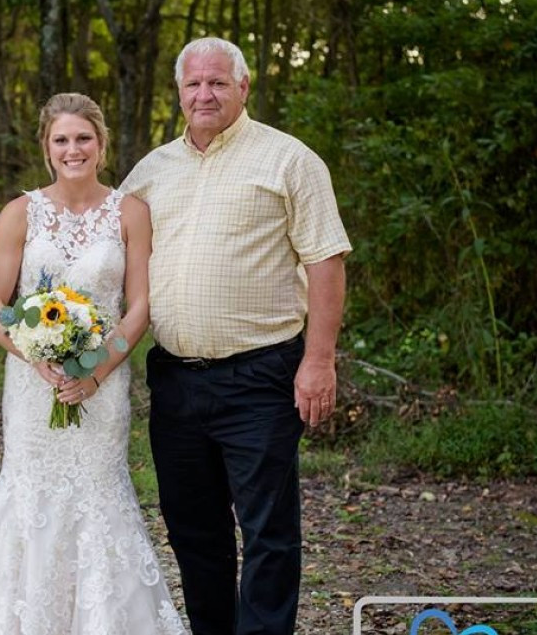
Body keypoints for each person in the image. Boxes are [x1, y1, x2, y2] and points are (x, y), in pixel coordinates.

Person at [119, 37, 352, 635]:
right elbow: (112, 261)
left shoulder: (290, 160)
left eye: (218, 82)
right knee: (194, 530)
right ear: (179, 92)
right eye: (194, 84)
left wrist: (319, 361)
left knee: (268, 531)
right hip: (174, 379)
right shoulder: (150, 172)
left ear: (244, 87)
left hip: (262, 375)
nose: (205, 94)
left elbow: (326, 263)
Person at [0, 93, 186, 635]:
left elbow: (139, 305)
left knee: (98, 492)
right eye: (62, 140)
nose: (73, 149)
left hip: (102, 386)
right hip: (35, 387)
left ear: (101, 145)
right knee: (29, 491)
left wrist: (96, 369)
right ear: (46, 148)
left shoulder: (130, 212)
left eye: (83, 138)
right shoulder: (19, 212)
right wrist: (36, 356)